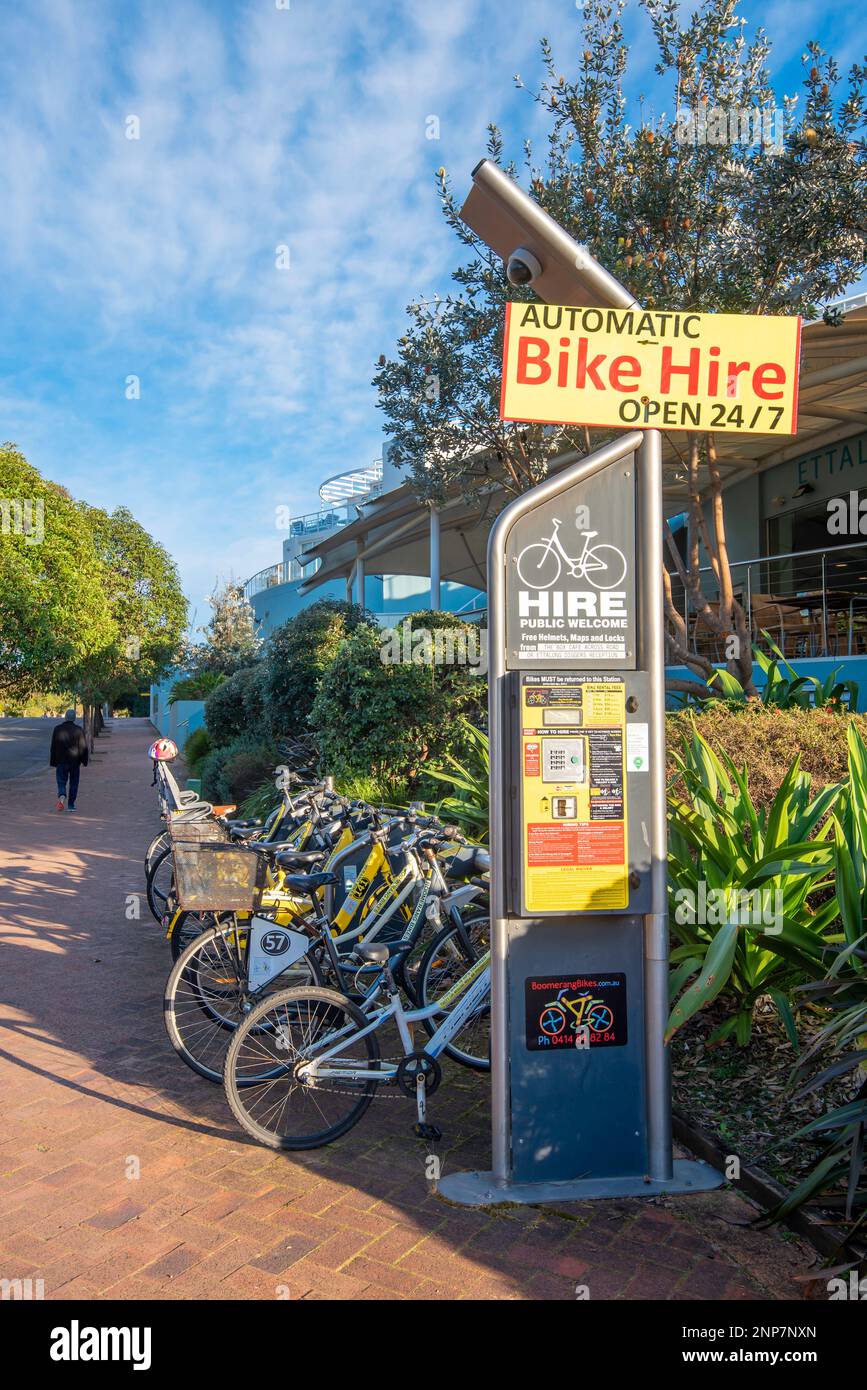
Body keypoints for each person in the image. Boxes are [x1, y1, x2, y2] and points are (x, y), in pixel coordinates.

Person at [50, 709, 89, 812]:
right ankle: (71, 805)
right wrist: (84, 760)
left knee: (61, 781)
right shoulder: (78, 730)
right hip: (75, 761)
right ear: (74, 718)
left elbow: (53, 746)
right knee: (74, 783)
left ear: (65, 717)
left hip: (61, 761)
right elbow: (83, 747)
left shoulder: (57, 729)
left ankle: (62, 796)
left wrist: (53, 761)